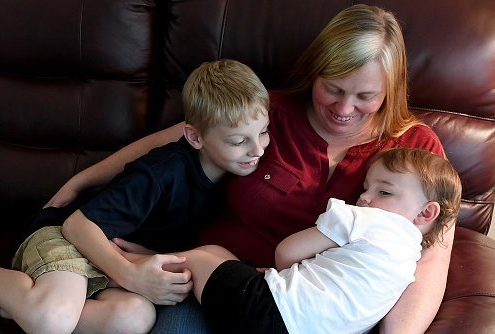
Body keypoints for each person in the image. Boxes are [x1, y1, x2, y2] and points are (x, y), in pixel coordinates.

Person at [43, 4, 453, 333]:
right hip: (210, 283)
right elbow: (176, 139)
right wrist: (84, 178)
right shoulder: (267, 113)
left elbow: (431, 259)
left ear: (391, 90)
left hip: (316, 314)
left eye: (365, 96)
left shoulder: (416, 151)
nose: (344, 109)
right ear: (315, 72)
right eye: (334, 88)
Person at [0, 59, 271, 334]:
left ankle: (2, 303)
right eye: (238, 141)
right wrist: (131, 274)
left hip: (109, 259)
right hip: (67, 238)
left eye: (265, 133)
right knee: (50, 321)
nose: (257, 149)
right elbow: (79, 225)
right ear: (194, 137)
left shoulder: (235, 170)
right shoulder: (161, 174)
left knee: (134, 319)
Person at [123, 147, 462, 333]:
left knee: (201, 257)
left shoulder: (366, 219)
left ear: (426, 212)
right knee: (218, 254)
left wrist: (276, 275)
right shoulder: (410, 261)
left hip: (270, 311)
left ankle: (133, 262)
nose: (365, 198)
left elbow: (287, 252)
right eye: (366, 188)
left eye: (383, 191)